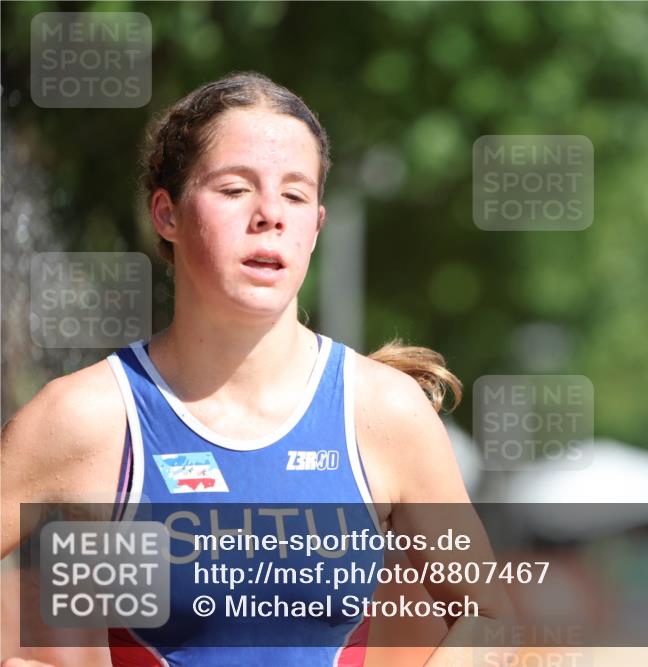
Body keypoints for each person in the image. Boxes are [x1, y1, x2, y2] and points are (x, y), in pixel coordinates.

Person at [1, 71, 514, 667]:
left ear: (316, 227)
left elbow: (494, 625)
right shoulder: (89, 417)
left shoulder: (382, 413)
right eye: (234, 189)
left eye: (295, 195)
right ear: (166, 214)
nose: (270, 213)